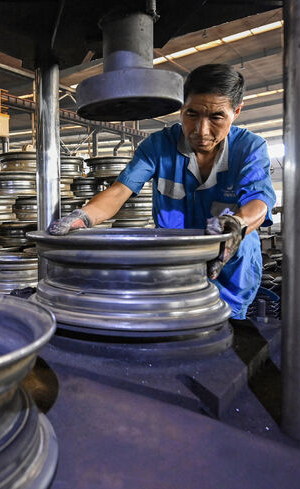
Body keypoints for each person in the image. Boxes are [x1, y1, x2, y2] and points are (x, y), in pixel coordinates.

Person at [48, 64, 276, 320]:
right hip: (174, 268)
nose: (201, 130)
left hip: (231, 269)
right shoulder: (157, 146)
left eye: (216, 117)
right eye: (192, 114)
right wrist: (83, 216)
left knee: (223, 336)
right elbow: (119, 192)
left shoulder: (250, 148)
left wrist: (236, 224)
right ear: (181, 108)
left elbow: (259, 200)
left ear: (236, 112)